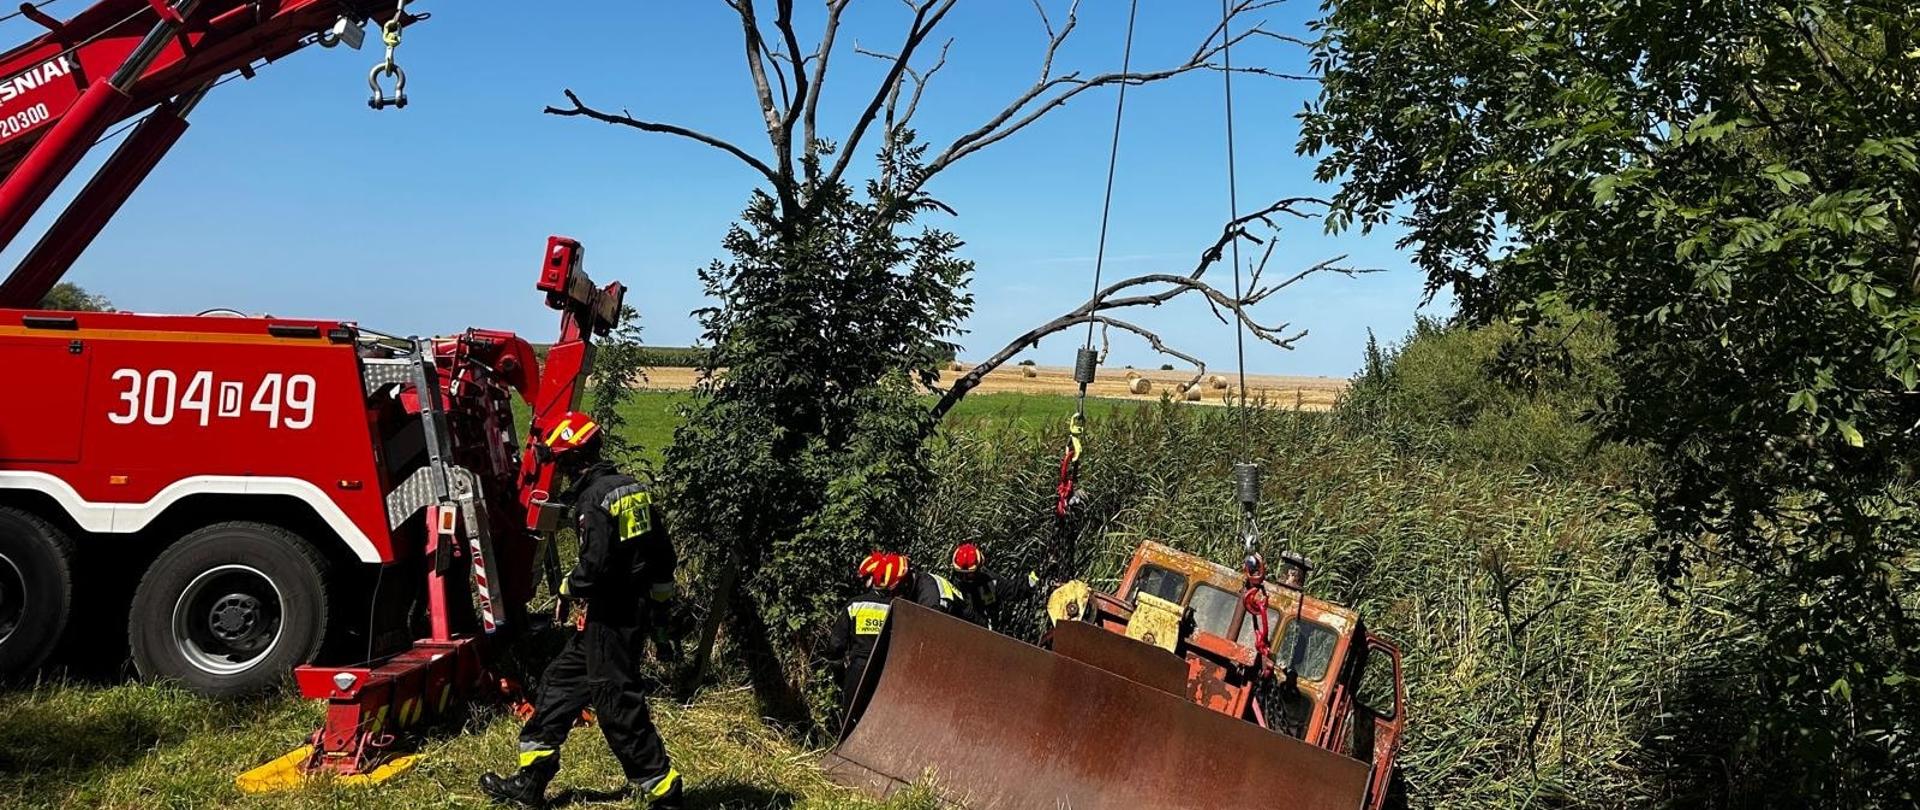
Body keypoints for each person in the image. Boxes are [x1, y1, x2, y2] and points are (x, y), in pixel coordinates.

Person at [480, 412, 682, 808]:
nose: (560, 471)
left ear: (573, 461)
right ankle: (531, 782)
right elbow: (663, 554)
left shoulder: (592, 500)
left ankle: (665, 792)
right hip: (619, 613)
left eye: (560, 462)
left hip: (613, 618)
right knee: (559, 683)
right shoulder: (631, 488)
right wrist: (659, 610)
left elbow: (594, 567)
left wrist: (566, 588)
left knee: (616, 704)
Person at [827, 551, 909, 724]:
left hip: (858, 671)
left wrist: (840, 676)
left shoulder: (855, 605)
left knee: (851, 723)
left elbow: (835, 646)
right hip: (886, 674)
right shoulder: (899, 611)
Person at [948, 542, 1039, 632]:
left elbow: (1011, 590)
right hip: (957, 628)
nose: (964, 578)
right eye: (961, 574)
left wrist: (1029, 583)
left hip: (983, 631)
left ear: (979, 568)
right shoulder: (953, 584)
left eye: (968, 574)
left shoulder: (988, 582)